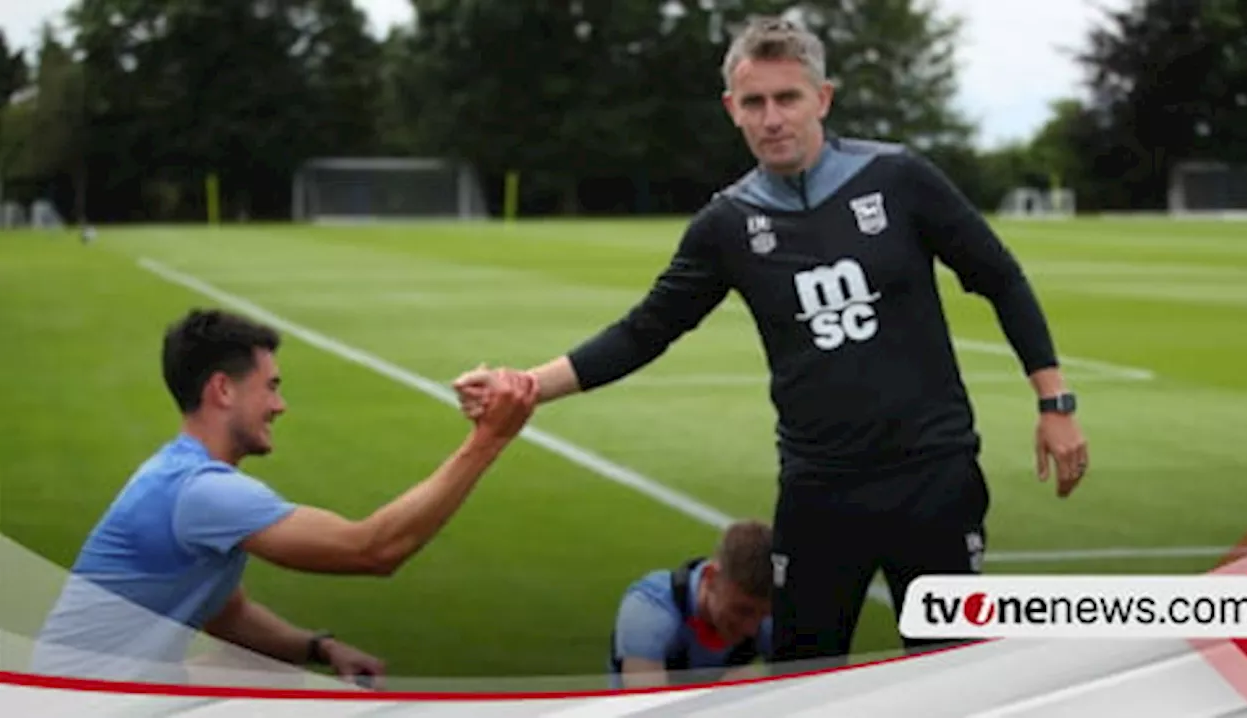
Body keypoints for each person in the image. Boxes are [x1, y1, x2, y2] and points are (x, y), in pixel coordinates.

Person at [451, 16, 1090, 669]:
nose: (772, 117)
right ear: (732, 110)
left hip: (932, 475)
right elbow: (646, 330)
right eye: (754, 102)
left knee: (948, 671)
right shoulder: (726, 224)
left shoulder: (899, 179)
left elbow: (1000, 277)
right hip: (819, 492)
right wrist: (524, 385)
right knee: (800, 681)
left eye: (788, 98)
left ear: (823, 98)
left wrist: (1054, 403)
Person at [32, 308, 537, 686]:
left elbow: (227, 615)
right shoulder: (201, 493)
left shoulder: (179, 477)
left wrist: (320, 647)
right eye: (270, 387)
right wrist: (487, 440)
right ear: (223, 391)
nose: (280, 405)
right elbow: (372, 549)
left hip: (90, 695)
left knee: (260, 673)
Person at [609, 520, 774, 689]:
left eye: (764, 614)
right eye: (742, 610)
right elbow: (645, 709)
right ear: (711, 578)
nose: (751, 628)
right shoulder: (648, 613)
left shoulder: (769, 622)